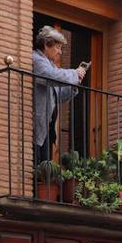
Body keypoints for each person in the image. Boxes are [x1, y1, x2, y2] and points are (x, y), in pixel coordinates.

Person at [33, 25, 86, 168]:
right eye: (58, 47)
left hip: (46, 126)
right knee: (37, 165)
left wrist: (74, 85)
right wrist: (74, 74)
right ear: (46, 44)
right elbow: (51, 76)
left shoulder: (50, 65)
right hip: (35, 125)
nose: (60, 52)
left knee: (43, 167)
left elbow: (59, 95)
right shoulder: (37, 59)